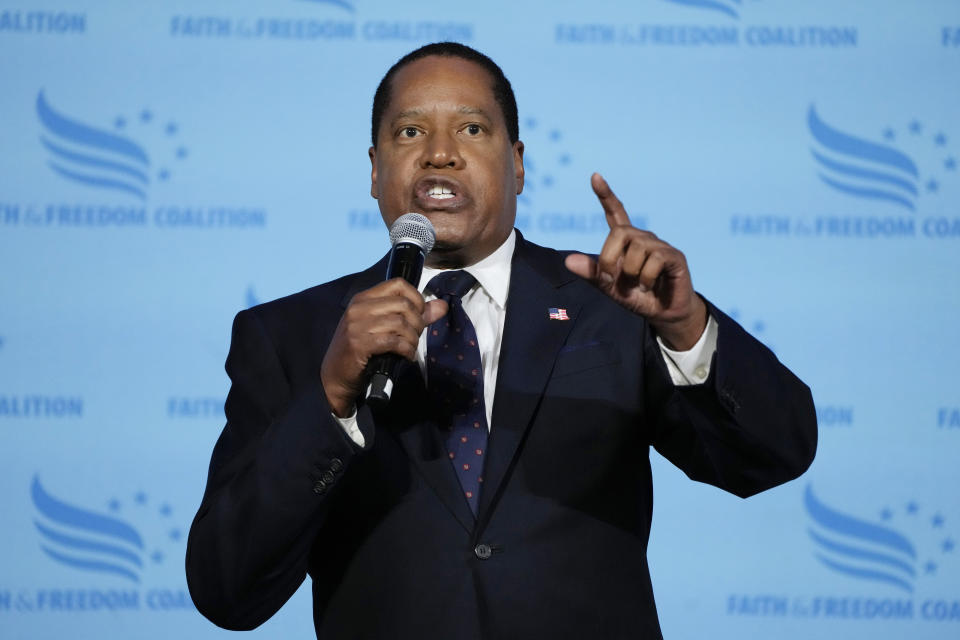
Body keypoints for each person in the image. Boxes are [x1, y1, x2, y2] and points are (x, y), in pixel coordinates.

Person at [186, 42, 817, 639]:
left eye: (471, 129)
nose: (439, 154)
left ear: (516, 163)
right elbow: (226, 588)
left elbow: (774, 454)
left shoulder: (613, 302)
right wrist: (331, 399)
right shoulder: (291, 335)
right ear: (375, 171)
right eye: (410, 132)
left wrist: (684, 326)